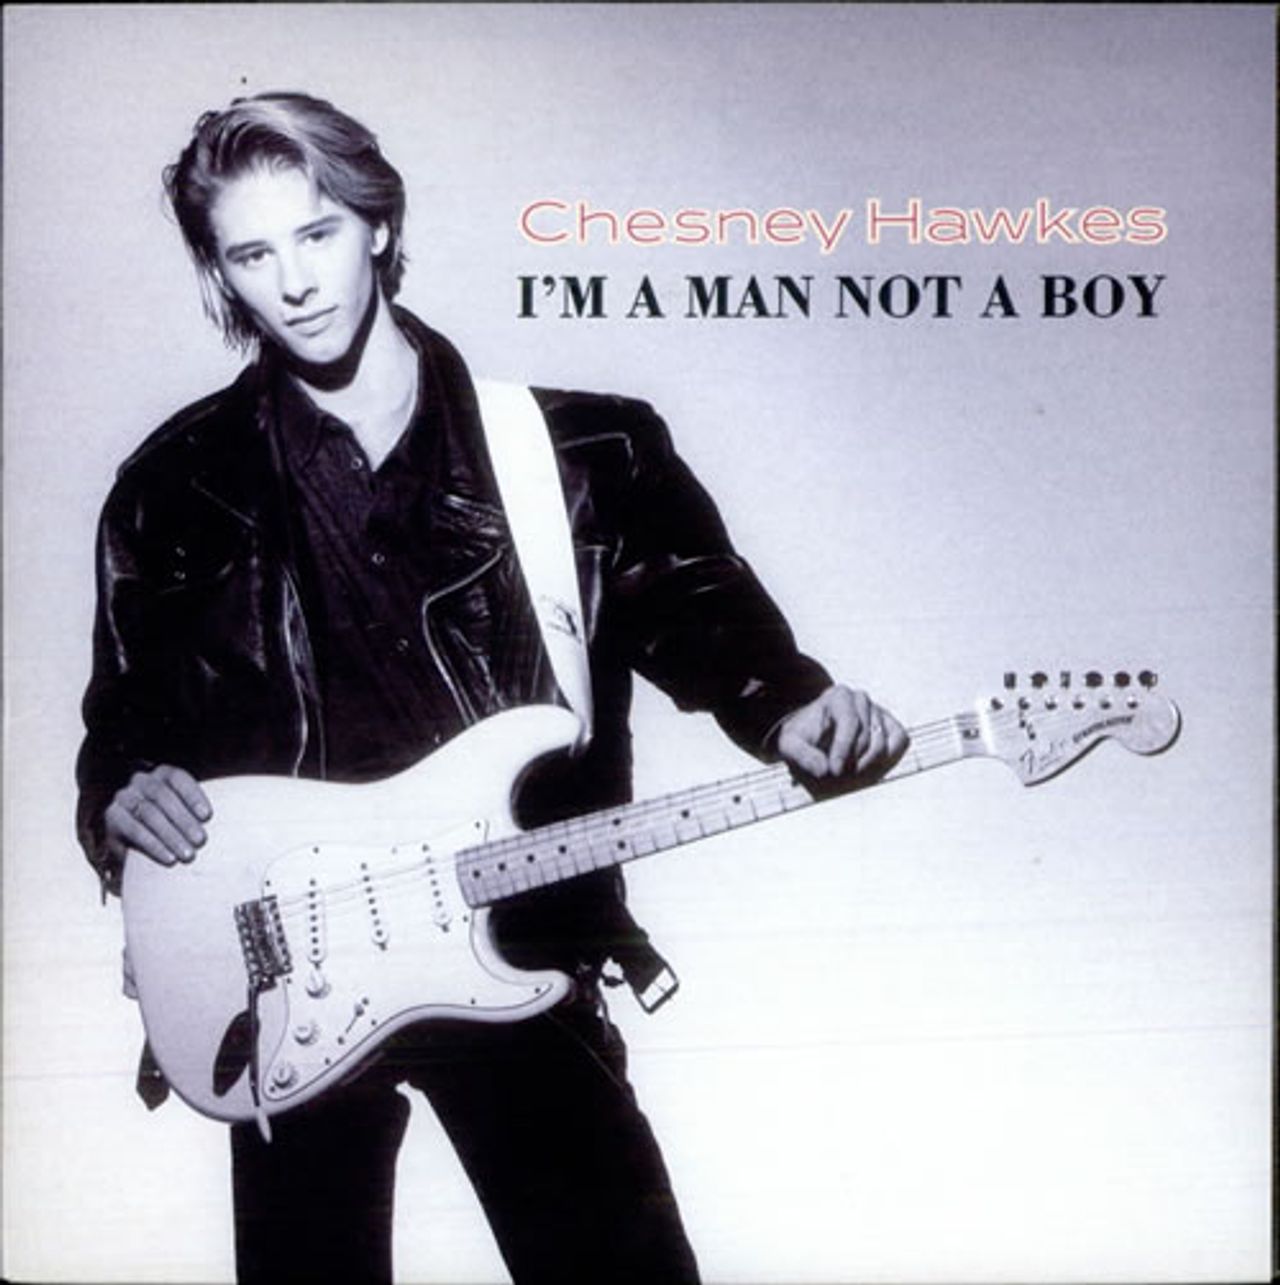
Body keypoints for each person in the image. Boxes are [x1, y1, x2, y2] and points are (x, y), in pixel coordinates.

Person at [76, 91, 908, 1285]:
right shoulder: (170, 491)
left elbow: (698, 611)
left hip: (520, 938)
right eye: (251, 255)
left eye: (316, 234)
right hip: (295, 972)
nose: (295, 283)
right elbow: (124, 724)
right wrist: (122, 795)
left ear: (378, 222)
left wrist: (787, 702)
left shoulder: (580, 452)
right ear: (219, 271)